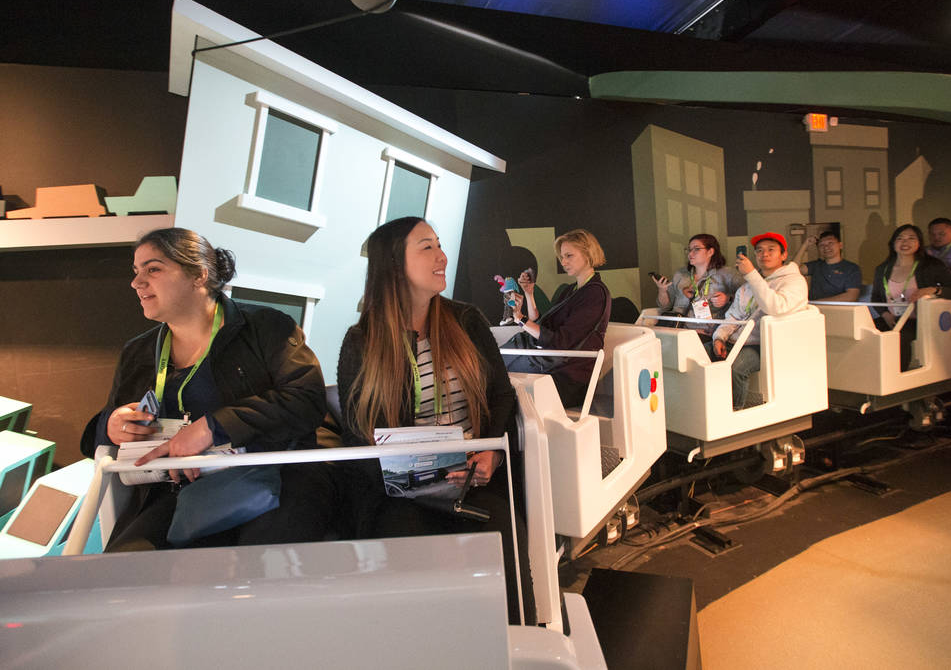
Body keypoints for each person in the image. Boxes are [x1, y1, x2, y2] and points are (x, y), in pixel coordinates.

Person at [336, 216, 534, 624]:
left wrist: (489, 452)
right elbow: (358, 434)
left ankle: (520, 645)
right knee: (406, 559)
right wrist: (419, 477)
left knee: (504, 547)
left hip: (474, 480)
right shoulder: (362, 341)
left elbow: (500, 394)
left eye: (439, 244)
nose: (442, 255)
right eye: (426, 246)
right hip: (404, 493)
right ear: (392, 264)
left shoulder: (465, 321)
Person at [84, 227, 327, 551]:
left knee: (254, 573)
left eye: (153, 269)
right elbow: (95, 438)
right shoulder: (138, 353)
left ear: (198, 275)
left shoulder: (267, 327)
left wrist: (213, 427)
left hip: (274, 481)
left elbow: (306, 401)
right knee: (123, 571)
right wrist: (111, 425)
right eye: (136, 271)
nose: (137, 282)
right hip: (178, 494)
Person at [506, 229, 611, 408]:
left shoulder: (595, 294)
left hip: (568, 379)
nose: (563, 262)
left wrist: (521, 319)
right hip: (552, 365)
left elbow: (559, 342)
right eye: (562, 257)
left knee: (495, 374)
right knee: (492, 369)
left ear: (588, 254)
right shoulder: (571, 291)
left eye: (569, 256)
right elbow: (542, 326)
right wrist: (529, 295)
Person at [711, 232, 808, 410]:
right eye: (759, 251)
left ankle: (734, 413)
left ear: (784, 255)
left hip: (766, 344)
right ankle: (711, 409)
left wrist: (752, 275)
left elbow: (775, 307)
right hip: (739, 340)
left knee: (735, 368)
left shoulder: (794, 281)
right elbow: (733, 316)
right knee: (698, 356)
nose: (765, 254)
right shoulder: (748, 285)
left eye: (771, 250)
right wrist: (719, 337)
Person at [871, 224, 951, 371]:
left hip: (919, 321)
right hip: (891, 318)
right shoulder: (883, 269)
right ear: (893, 243)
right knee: (866, 332)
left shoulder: (932, 265)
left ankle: (897, 377)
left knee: (899, 337)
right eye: (900, 238)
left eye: (911, 238)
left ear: (919, 242)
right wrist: (885, 315)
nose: (905, 242)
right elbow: (876, 297)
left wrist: (934, 289)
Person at [651, 233, 742, 339]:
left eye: (696, 249)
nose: (690, 253)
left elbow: (749, 299)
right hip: (677, 330)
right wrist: (662, 290)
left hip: (707, 333)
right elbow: (665, 306)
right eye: (689, 250)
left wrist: (728, 298)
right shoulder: (680, 274)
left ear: (710, 252)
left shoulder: (728, 274)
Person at [792, 230, 862, 302]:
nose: (826, 247)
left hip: (839, 310)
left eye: (830, 243)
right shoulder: (816, 265)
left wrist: (819, 303)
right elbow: (792, 270)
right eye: (821, 245)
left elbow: (851, 296)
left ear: (840, 245)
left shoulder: (851, 268)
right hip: (814, 310)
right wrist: (805, 245)